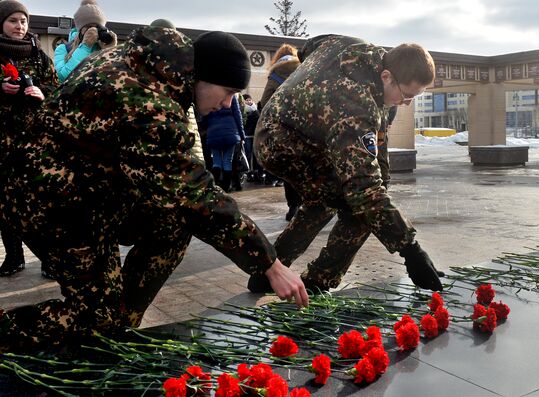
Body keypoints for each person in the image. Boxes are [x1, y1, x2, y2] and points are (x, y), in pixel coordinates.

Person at [0, 27, 308, 351]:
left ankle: (121, 325)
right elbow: (192, 194)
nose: (227, 103)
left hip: (91, 192)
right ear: (201, 77)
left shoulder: (154, 69)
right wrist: (269, 264)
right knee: (97, 317)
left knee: (172, 222)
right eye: (227, 91)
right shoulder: (146, 99)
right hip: (49, 201)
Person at [250, 34, 444, 293]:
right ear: (386, 76)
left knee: (325, 201)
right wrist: (411, 250)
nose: (407, 103)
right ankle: (318, 280)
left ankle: (268, 270)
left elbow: (310, 47)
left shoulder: (352, 47)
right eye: (407, 95)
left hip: (283, 127)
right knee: (360, 208)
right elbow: (365, 191)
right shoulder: (356, 107)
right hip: (283, 145)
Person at [0, 0, 58, 277]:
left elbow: (58, 89)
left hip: (34, 142)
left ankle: (49, 259)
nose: (19, 26)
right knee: (5, 204)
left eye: (23, 21)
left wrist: (41, 93)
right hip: (2, 143)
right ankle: (13, 257)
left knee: (39, 203)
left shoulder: (38, 55)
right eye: (13, 20)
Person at [259, 43, 302, 221]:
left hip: (284, 130)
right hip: (305, 129)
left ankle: (293, 206)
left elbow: (264, 102)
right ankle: (309, 205)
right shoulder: (304, 69)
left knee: (289, 170)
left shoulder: (275, 75)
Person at [54, 0, 117, 82]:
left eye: (98, 27)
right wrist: (85, 48)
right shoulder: (63, 49)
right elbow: (63, 77)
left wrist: (111, 51)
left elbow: (115, 79)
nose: (94, 31)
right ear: (80, 30)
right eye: (90, 27)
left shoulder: (101, 47)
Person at [204, 93, 245, 192]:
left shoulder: (209, 94)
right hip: (230, 132)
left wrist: (207, 129)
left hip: (213, 131)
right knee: (228, 161)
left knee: (216, 162)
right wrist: (242, 134)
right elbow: (237, 115)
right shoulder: (231, 95)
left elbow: (204, 115)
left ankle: (214, 186)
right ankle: (226, 187)